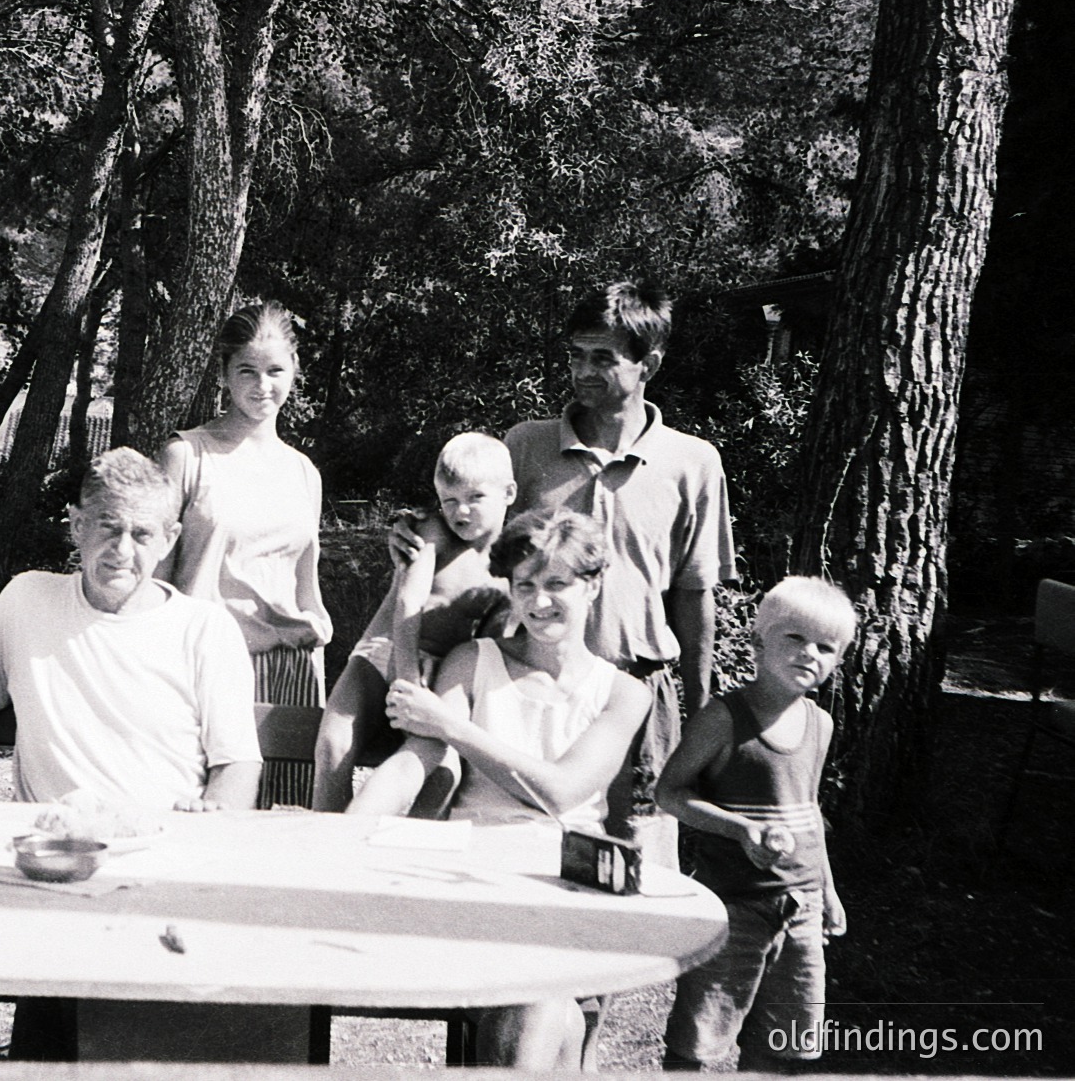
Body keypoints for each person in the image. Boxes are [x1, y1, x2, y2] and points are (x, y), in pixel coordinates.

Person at [398, 280, 736, 866]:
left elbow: (694, 591)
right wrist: (414, 533)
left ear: (648, 363)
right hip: (525, 689)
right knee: (518, 846)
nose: (583, 371)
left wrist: (704, 715)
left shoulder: (693, 463)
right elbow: (469, 527)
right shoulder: (525, 447)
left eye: (603, 357)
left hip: (636, 690)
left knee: (633, 864)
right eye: (575, 355)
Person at [351, 506, 652, 1070]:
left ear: (593, 585)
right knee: (548, 1008)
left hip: (573, 881)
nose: (540, 602)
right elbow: (416, 758)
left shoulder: (623, 694)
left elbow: (563, 792)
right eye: (525, 586)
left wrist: (454, 726)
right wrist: (348, 830)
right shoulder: (473, 661)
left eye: (557, 584)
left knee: (542, 1002)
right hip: (482, 878)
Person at [0, 447, 263, 812]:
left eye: (141, 534)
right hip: (59, 844)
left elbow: (237, 763)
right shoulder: (27, 601)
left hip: (166, 838)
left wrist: (209, 825)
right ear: (78, 526)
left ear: (168, 539)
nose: (122, 550)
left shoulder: (205, 628)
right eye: (108, 527)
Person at [658, 576, 854, 1071]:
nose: (810, 653)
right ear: (756, 641)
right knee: (698, 1038)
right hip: (732, 904)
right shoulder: (723, 718)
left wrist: (827, 892)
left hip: (801, 905)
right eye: (795, 638)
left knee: (788, 1040)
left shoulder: (820, 724)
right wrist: (739, 830)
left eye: (826, 647)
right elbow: (670, 793)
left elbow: (808, 808)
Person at [312, 432, 516, 812]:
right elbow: (409, 601)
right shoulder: (433, 532)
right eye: (449, 500)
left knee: (442, 768)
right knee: (334, 741)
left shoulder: (509, 567)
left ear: (509, 493)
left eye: (475, 498)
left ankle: (405, 850)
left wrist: (436, 698)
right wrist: (407, 678)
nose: (462, 512)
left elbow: (491, 641)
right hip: (390, 649)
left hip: (444, 676)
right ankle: (328, 841)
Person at [157, 300, 332, 707]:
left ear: (294, 369)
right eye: (247, 371)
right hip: (200, 669)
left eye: (275, 371)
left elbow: (306, 589)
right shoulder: (186, 456)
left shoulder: (304, 473)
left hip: (292, 675)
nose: (262, 386)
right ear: (224, 374)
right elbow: (157, 583)